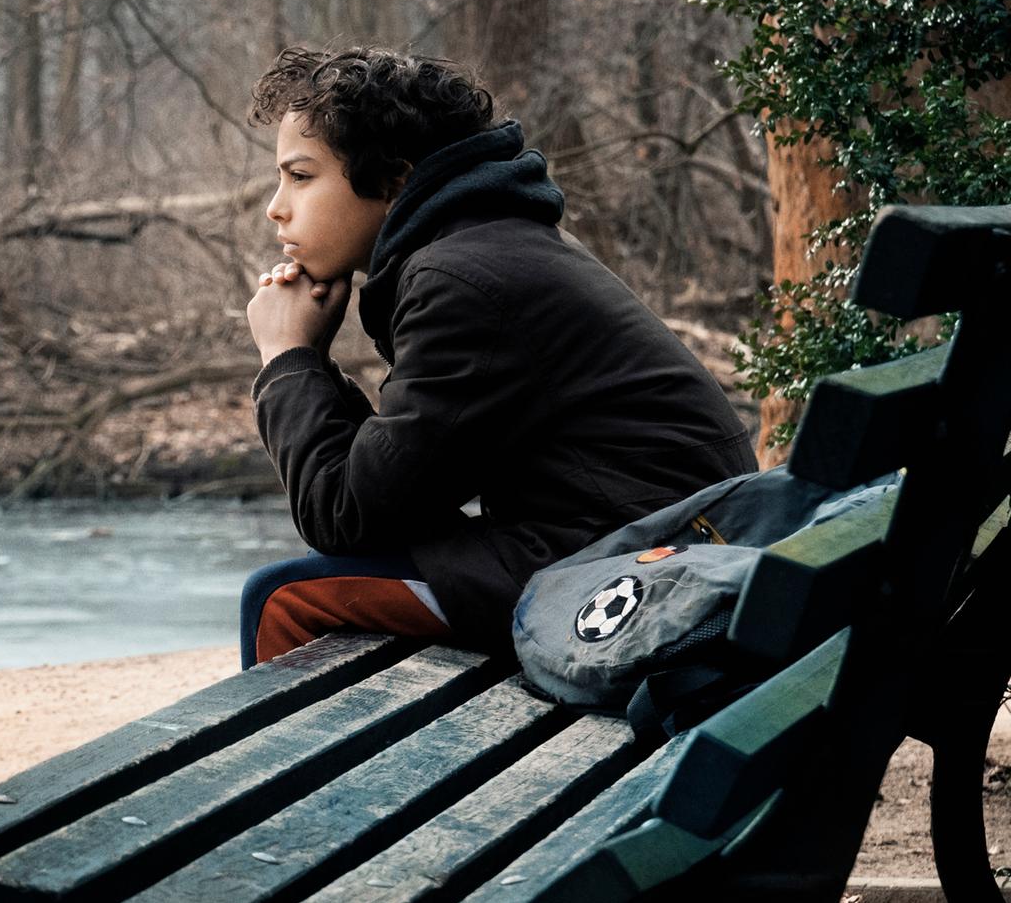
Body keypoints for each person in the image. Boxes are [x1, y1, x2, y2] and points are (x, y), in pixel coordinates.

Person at [238, 45, 755, 667]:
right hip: (663, 549)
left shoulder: (462, 280)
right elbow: (387, 496)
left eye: (300, 176)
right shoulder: (493, 247)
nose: (277, 207)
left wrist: (287, 357)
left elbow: (345, 515)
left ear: (395, 179)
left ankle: (312, 769)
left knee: (286, 599)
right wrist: (310, 365)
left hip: (639, 577)